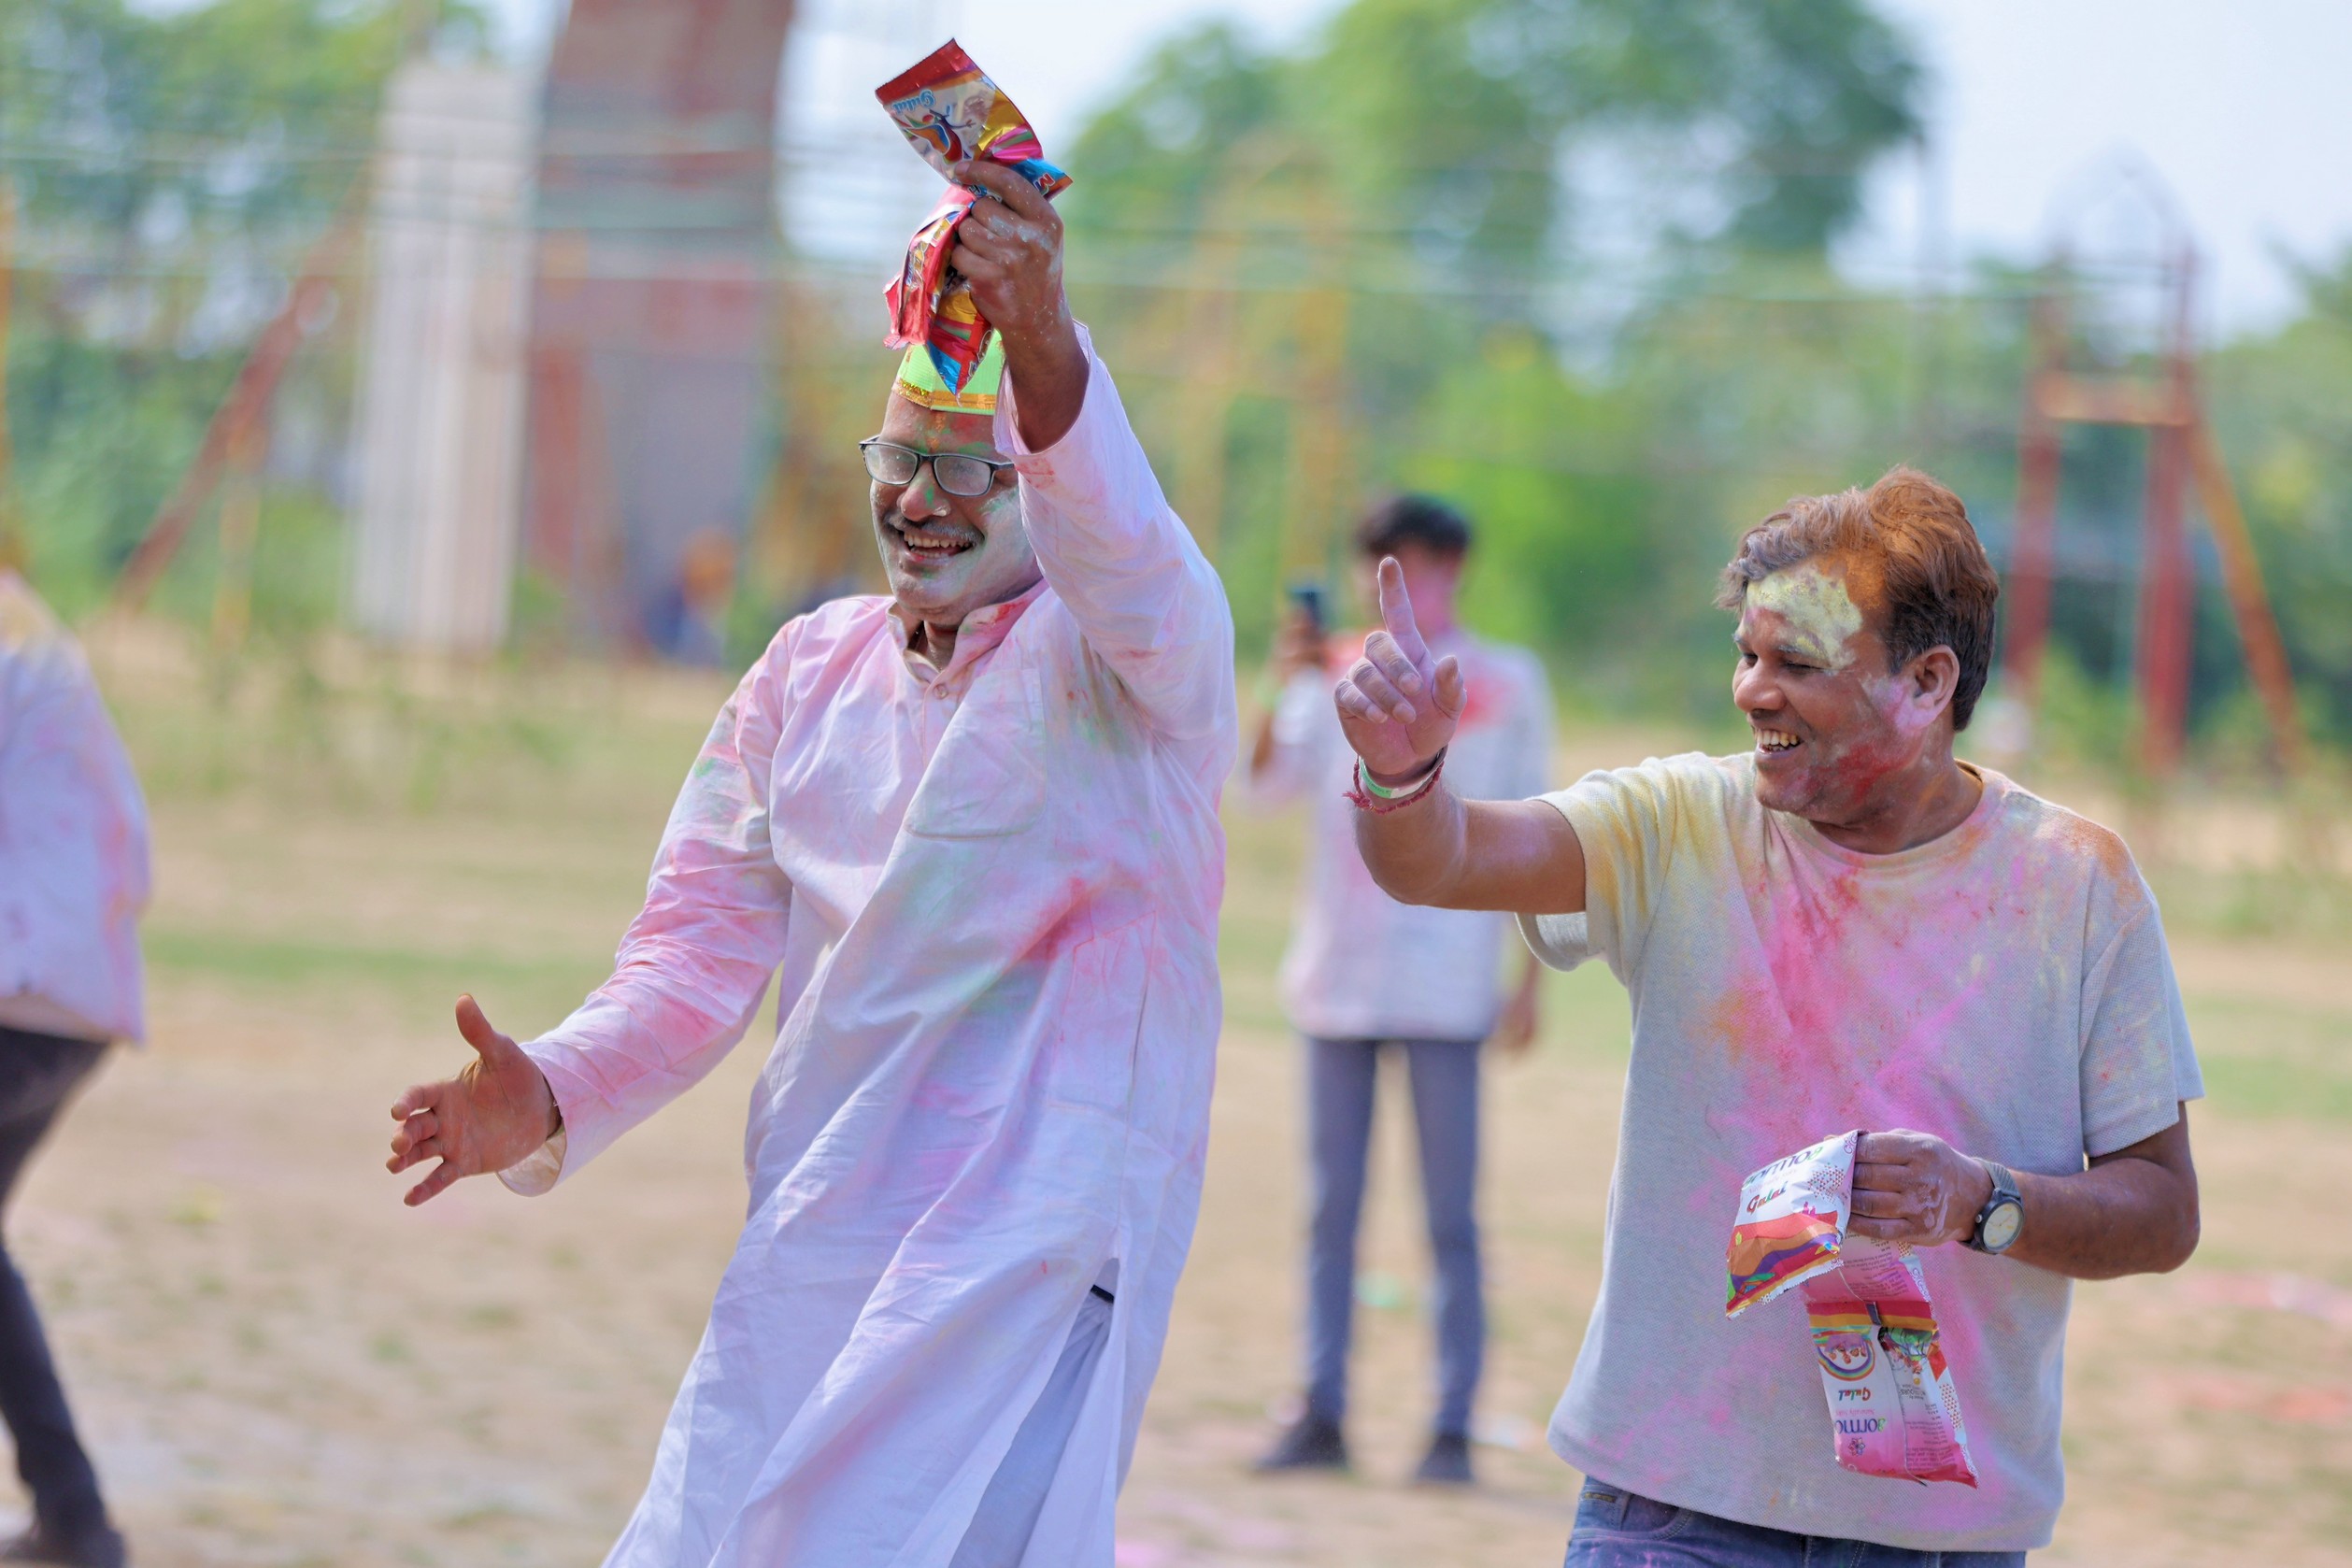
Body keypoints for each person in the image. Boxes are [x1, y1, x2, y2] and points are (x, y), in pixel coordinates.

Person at [385, 159, 1234, 1567]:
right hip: (825, 1222)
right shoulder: (805, 671)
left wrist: (1040, 338)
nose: (923, 501)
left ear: (1041, 486)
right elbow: (692, 952)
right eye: (898, 460)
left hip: (1029, 1253)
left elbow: (1125, 544)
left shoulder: (1138, 665)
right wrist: (553, 1085)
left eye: (972, 471)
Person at [1328, 467, 2201, 1565]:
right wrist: (1403, 777)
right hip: (1670, 1510)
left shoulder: (2076, 886)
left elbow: (2162, 1208)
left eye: (1798, 663)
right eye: (1747, 654)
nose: (1751, 691)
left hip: (1943, 1539)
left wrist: (1981, 1199)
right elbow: (1445, 859)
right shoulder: (1683, 822)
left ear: (1927, 681)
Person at [1244, 497, 1550, 1486]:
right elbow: (1260, 790)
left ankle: (1451, 1426)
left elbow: (1536, 827)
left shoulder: (1505, 680)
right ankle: (1320, 1409)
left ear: (1452, 567)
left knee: (1451, 1218)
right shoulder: (1333, 674)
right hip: (1337, 975)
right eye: (1375, 561)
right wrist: (1280, 678)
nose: (1390, 580)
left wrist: (1527, 980)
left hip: (1448, 978)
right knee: (1329, 1209)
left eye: (1409, 561)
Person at [0, 567, 147, 1568]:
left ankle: (78, 1517)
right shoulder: (21, 616)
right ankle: (76, 1518)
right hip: (75, 985)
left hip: (24, 983)